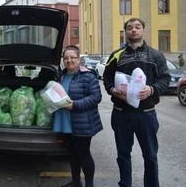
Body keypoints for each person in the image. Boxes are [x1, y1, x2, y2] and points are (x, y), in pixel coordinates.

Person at [103, 18, 171, 187]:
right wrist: (112, 90)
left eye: (137, 27)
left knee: (150, 156)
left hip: (146, 114)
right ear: (125, 32)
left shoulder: (155, 55)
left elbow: (165, 78)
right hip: (121, 113)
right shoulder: (116, 55)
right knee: (123, 154)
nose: (134, 30)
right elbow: (107, 78)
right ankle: (125, 184)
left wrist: (152, 89)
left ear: (143, 31)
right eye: (129, 27)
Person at [57, 45, 103, 187]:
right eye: (66, 58)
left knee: (83, 154)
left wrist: (75, 104)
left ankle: (89, 184)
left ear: (79, 59)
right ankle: (76, 182)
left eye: (72, 57)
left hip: (82, 122)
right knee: (72, 154)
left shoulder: (88, 75)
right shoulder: (62, 75)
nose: (69, 60)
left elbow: (96, 97)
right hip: (66, 121)